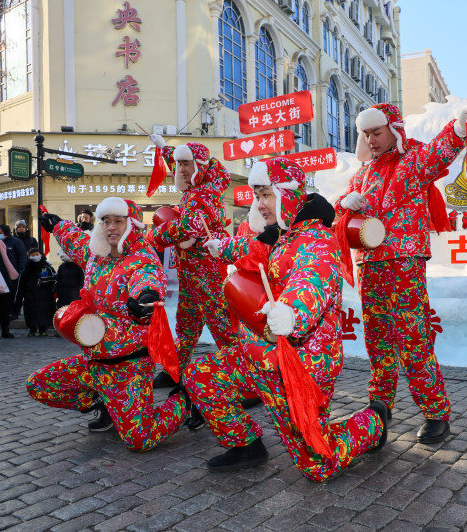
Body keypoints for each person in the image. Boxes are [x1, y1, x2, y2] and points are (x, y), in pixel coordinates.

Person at [185, 158, 386, 480]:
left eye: (267, 195)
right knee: (200, 374)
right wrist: (218, 247)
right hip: (258, 355)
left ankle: (372, 422)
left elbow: (312, 281)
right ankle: (246, 445)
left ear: (288, 194)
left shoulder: (317, 240)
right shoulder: (279, 234)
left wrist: (291, 312)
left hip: (298, 364)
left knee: (316, 465)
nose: (261, 204)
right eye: (257, 196)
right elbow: (248, 248)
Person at [334, 102, 467, 443]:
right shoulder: (362, 174)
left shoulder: (413, 161)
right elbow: (339, 212)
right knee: (377, 341)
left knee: (413, 339)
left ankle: (436, 414)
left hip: (404, 264)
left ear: (394, 130)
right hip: (369, 266)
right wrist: (345, 203)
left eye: (377, 132)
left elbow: (440, 153)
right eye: (366, 134)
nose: (371, 140)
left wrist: (459, 128)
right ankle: (379, 408)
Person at [27, 197, 193, 450]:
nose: (111, 227)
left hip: (128, 366)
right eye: (106, 221)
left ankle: (189, 400)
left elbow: (147, 280)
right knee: (39, 385)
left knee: (140, 440)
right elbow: (76, 241)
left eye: (118, 221)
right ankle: (104, 402)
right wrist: (57, 224)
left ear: (132, 224)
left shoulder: (142, 258)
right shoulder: (97, 252)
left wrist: (145, 298)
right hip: (94, 362)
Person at [147, 139, 240, 391]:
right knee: (186, 322)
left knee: (222, 326)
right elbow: (181, 163)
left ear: (199, 164)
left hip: (207, 271)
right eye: (178, 164)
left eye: (186, 163)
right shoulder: (198, 183)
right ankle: (174, 370)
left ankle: (244, 379)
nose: (180, 168)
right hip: (190, 271)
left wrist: (153, 236)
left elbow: (190, 227)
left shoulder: (203, 194)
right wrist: (164, 147)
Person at [15, 248, 57, 337]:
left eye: (36, 254)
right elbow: (21, 286)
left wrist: (46, 280)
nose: (35, 257)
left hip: (45, 296)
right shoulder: (26, 270)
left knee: (45, 313)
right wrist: (18, 300)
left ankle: (43, 330)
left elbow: (55, 279)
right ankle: (32, 330)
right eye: (32, 255)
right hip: (30, 296)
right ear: (29, 257)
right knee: (30, 313)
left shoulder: (47, 267)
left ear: (41, 255)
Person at [0, 223, 27, 320]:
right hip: (1, 273)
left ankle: (14, 312)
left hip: (14, 272)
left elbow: (22, 255)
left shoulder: (16, 242)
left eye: (0, 233)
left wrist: (21, 268)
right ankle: (6, 312)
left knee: (15, 294)